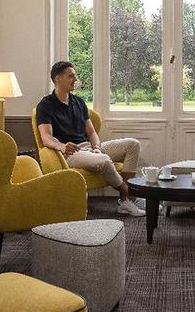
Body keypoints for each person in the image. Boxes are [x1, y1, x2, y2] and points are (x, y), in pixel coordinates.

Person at [36, 61, 145, 217]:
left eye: (75, 75)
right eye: (71, 76)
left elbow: (92, 132)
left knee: (132, 145)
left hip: (89, 147)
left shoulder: (79, 102)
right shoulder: (45, 105)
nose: (75, 79)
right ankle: (130, 195)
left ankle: (125, 201)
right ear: (58, 78)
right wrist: (62, 146)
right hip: (70, 153)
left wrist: (97, 147)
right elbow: (46, 137)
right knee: (104, 161)